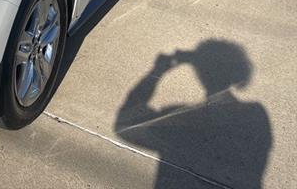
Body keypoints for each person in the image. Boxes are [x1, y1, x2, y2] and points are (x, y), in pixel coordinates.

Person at [115, 40, 271, 189]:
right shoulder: (256, 115)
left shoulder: (183, 119)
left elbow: (125, 124)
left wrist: (157, 71)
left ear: (199, 72)